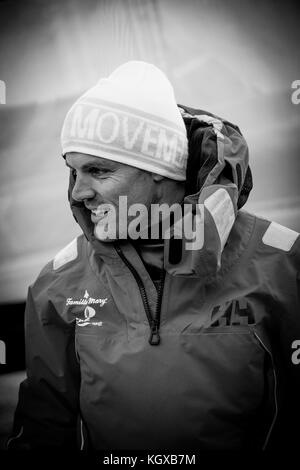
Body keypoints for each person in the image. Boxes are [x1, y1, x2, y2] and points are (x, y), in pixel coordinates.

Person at [7, 61, 300, 451]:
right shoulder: (58, 286)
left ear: (161, 170)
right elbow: (42, 433)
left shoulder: (285, 267)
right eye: (74, 172)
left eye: (98, 170)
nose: (79, 192)